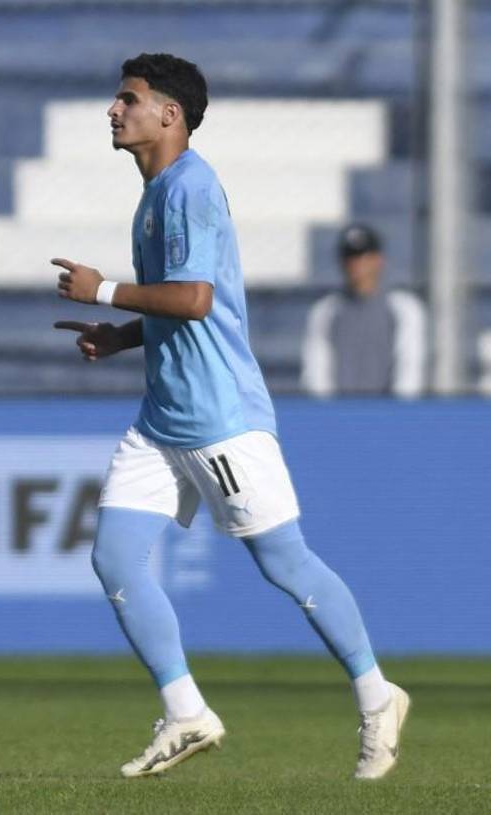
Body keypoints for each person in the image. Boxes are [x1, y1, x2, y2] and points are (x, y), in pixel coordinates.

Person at [52, 53, 407, 780]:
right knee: (114, 557)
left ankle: (377, 695)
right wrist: (122, 337)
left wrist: (104, 292)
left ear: (169, 115)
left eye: (128, 99)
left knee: (286, 563)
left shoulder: (191, 187)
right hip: (163, 418)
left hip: (218, 418)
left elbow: (197, 300)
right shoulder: (154, 195)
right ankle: (186, 711)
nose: (113, 111)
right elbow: (179, 310)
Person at [300, 223, 428, 397]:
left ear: (378, 260)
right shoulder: (325, 311)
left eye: (363, 256)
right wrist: (329, 414)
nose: (356, 264)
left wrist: (397, 413)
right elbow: (317, 371)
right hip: (338, 416)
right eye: (350, 257)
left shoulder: (404, 307)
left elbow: (409, 370)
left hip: (389, 415)